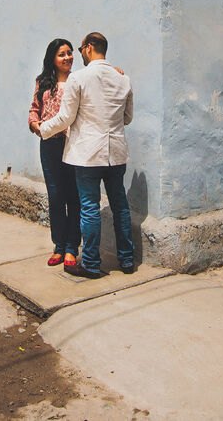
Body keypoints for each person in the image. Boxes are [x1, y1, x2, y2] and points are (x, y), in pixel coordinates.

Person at [37, 32, 135, 278]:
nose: (78, 54)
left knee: (89, 208)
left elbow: (66, 118)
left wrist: (43, 129)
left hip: (88, 155)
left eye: (80, 49)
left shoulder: (78, 78)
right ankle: (127, 260)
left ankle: (91, 263)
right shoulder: (123, 79)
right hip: (116, 153)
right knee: (120, 207)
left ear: (89, 48)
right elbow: (127, 118)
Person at [28, 39, 81, 268]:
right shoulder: (42, 82)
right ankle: (58, 246)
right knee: (56, 197)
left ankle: (71, 248)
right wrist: (34, 124)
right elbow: (34, 109)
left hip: (73, 146)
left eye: (70, 53)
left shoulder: (79, 80)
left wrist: (116, 71)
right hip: (49, 145)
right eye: (62, 54)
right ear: (53, 58)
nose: (68, 57)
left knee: (74, 197)